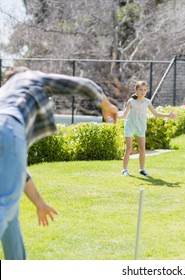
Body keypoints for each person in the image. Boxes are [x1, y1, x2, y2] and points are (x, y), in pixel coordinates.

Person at [0, 66, 118, 259]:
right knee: (5, 205)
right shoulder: (31, 78)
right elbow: (84, 85)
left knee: (9, 212)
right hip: (10, 127)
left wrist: (39, 204)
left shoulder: (4, 93)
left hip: (7, 131)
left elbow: (19, 171)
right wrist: (106, 105)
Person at [118, 81, 176, 177]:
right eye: (140, 89)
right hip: (130, 126)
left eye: (144, 90)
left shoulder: (147, 102)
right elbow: (124, 115)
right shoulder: (131, 101)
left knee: (142, 149)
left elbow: (156, 114)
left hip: (141, 128)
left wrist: (168, 115)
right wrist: (114, 116)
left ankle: (142, 170)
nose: (143, 92)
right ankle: (125, 170)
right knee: (129, 149)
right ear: (136, 91)